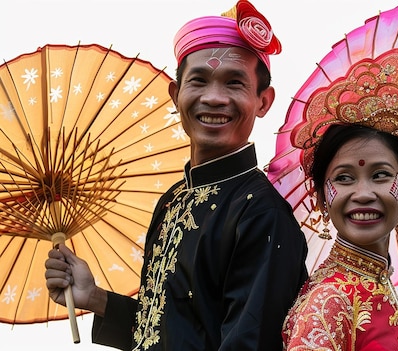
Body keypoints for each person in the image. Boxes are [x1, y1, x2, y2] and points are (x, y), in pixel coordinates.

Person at [45, 1, 308, 350]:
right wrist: (95, 298)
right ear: (176, 94)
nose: (214, 98)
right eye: (198, 80)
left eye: (234, 83)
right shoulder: (171, 201)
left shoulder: (261, 215)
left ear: (263, 101)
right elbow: (170, 332)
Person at [281, 48, 398, 350]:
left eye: (380, 175)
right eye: (344, 178)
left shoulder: (375, 282)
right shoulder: (328, 303)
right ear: (322, 199)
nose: (363, 194)